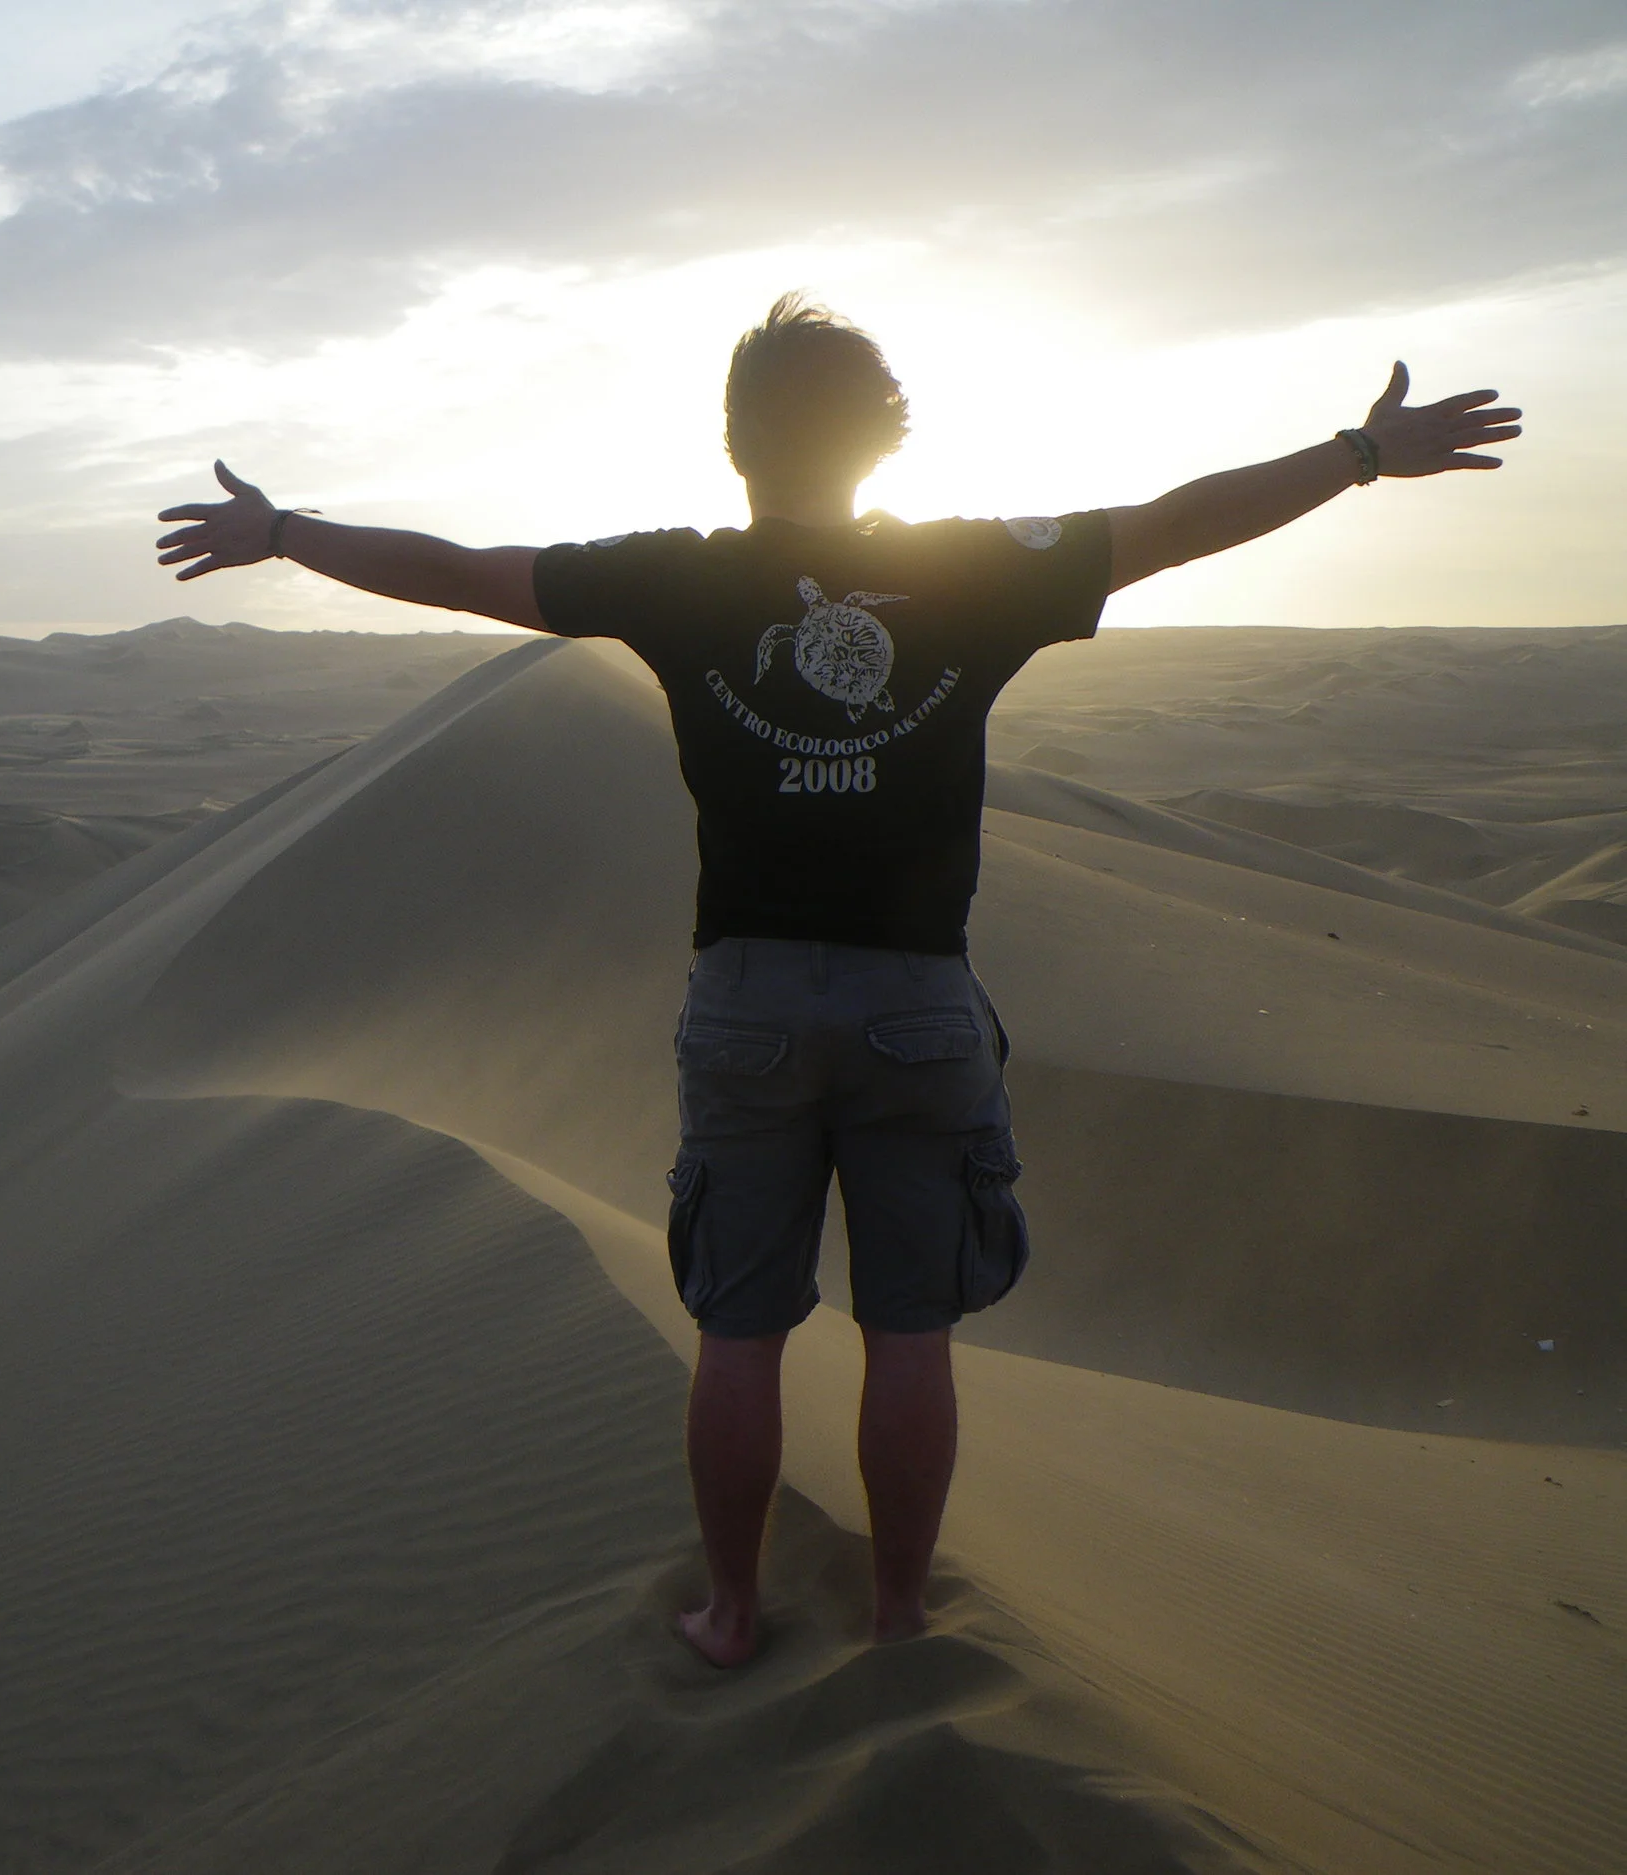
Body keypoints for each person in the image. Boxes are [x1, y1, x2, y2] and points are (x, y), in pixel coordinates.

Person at [153, 293, 1521, 1662]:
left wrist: (284, 534)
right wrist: (1355, 453)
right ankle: (900, 1611)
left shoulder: (675, 578)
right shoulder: (977, 569)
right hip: (918, 1004)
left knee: (741, 1333)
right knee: (908, 1329)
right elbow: (1174, 524)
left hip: (747, 1004)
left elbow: (459, 571)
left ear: (737, 445)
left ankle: (734, 1609)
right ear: (885, 441)